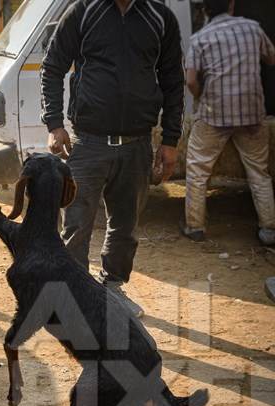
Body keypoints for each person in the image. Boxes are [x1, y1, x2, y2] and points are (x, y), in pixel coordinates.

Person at [41, 0, 184, 317]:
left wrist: (171, 140)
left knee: (125, 226)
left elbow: (174, 80)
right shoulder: (83, 11)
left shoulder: (160, 18)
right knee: (76, 224)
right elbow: (52, 66)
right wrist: (54, 124)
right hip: (87, 143)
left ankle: (113, 289)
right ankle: (76, 299)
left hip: (137, 145)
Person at [182, 0, 275, 244]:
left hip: (215, 115)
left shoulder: (200, 38)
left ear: (204, 10)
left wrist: (201, 97)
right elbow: (271, 58)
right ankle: (269, 230)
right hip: (253, 115)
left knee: (197, 170)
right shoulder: (253, 28)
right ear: (231, 5)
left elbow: (190, 80)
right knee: (259, 173)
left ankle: (195, 227)